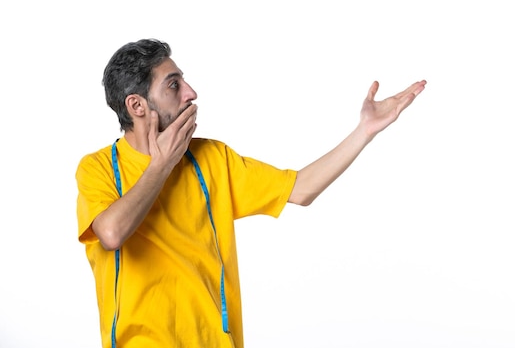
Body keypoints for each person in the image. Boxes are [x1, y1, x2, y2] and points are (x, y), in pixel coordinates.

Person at [75, 38, 427, 348]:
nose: (191, 93)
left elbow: (300, 189)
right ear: (137, 106)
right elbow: (111, 233)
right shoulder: (99, 168)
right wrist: (161, 164)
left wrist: (364, 131)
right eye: (173, 85)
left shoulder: (211, 158)